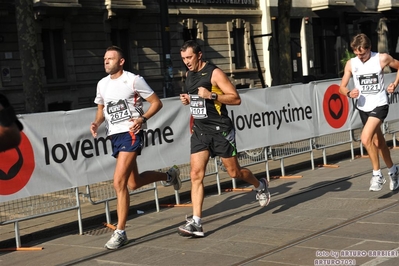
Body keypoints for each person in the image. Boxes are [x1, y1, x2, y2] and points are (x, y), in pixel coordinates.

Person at [90, 46, 181, 249]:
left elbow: (156, 103)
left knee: (118, 182)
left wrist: (142, 118)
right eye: (104, 58)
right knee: (133, 183)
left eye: (110, 59)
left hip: (131, 133)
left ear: (121, 62)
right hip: (114, 135)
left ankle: (120, 231)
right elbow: (101, 109)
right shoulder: (102, 84)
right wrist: (96, 123)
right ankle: (169, 176)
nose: (105, 61)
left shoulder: (133, 80)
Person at [177, 40, 271, 238]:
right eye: (184, 58)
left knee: (234, 173)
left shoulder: (215, 73)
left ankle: (259, 185)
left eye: (190, 57)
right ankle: (196, 222)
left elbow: (235, 98)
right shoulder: (189, 75)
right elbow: (197, 100)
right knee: (196, 174)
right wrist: (189, 100)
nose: (187, 61)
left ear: (199, 55)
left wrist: (211, 95)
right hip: (201, 131)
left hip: (220, 130)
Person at [339, 33, 399, 192]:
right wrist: (348, 93)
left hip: (379, 104)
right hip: (363, 107)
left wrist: (394, 83)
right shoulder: (351, 64)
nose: (360, 57)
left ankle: (377, 174)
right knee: (379, 143)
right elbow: (341, 87)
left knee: (365, 139)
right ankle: (393, 170)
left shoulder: (381, 58)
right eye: (357, 54)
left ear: (369, 48)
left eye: (362, 54)